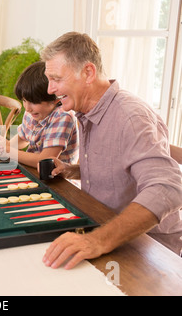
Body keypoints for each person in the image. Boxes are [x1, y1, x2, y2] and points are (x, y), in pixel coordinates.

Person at [40, 32, 182, 269]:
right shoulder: (87, 111)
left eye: (56, 78)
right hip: (109, 231)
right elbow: (115, 168)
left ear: (88, 73)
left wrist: (97, 241)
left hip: (151, 252)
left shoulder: (130, 117)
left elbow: (167, 188)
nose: (49, 89)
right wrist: (72, 171)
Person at [0, 61, 78, 167]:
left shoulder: (63, 116)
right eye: (24, 100)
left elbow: (44, 161)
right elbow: (23, 138)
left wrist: (8, 151)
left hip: (59, 179)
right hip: (34, 171)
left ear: (55, 98)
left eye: (33, 102)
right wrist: (3, 147)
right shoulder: (34, 112)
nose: (27, 108)